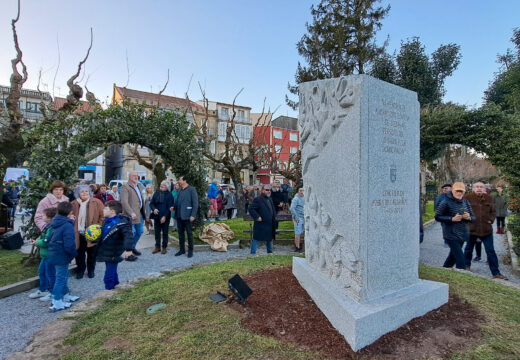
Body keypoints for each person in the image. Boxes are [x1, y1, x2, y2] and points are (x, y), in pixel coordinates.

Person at [464, 182, 508, 279]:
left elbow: (493, 211)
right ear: (473, 188)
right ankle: (466, 267)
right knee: (468, 249)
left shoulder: (488, 198)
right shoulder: (467, 198)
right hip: (472, 229)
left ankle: (496, 273)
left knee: (491, 251)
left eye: (481, 187)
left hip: (486, 229)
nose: (479, 188)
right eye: (477, 187)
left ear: (484, 189)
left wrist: (491, 220)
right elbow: (462, 210)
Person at [47, 202, 80, 311]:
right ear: (70, 212)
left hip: (53, 253)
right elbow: (69, 244)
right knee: (60, 278)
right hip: (62, 255)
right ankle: (56, 301)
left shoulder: (54, 222)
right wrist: (73, 254)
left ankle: (65, 294)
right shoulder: (67, 225)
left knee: (64, 275)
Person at [435, 182, 475, 270]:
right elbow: (437, 217)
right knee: (461, 259)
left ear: (464, 192)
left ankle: (444, 271)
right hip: (450, 234)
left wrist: (468, 217)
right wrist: (451, 219)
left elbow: (473, 218)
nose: (459, 193)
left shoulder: (466, 202)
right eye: (457, 191)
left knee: (452, 257)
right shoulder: (445, 202)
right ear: (452, 191)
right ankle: (463, 278)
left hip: (462, 234)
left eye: (461, 191)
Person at [96, 200, 134, 290]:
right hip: (107, 252)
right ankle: (116, 288)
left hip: (113, 252)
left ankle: (109, 293)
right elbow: (104, 235)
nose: (103, 210)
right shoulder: (106, 221)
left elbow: (128, 236)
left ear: (112, 212)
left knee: (108, 277)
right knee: (113, 273)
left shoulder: (122, 224)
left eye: (105, 208)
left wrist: (129, 249)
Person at [71, 185, 104, 279]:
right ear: (78, 194)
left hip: (92, 233)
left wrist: (98, 227)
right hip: (79, 233)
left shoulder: (96, 202)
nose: (85, 193)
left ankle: (91, 270)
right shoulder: (73, 204)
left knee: (92, 253)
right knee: (79, 254)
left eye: (86, 191)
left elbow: (103, 216)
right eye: (82, 192)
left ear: (90, 192)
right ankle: (80, 270)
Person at [28, 207, 57, 300]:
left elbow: (46, 242)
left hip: (49, 255)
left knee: (50, 273)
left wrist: (37, 243)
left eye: (44, 215)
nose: (42, 216)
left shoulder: (51, 228)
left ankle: (52, 291)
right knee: (42, 272)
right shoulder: (47, 226)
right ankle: (43, 289)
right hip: (45, 255)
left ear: (49, 217)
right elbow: (42, 237)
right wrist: (38, 240)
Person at [120, 171, 144, 261]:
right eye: (134, 175)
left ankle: (132, 247)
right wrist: (131, 212)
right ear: (129, 177)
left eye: (137, 175)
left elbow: (141, 199)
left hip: (139, 214)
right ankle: (128, 252)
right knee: (131, 234)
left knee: (140, 232)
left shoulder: (139, 185)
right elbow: (124, 202)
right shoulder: (125, 186)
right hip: (130, 215)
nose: (136, 177)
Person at [174, 175, 198, 258]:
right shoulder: (180, 189)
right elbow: (177, 201)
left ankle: (190, 250)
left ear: (184, 181)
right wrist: (174, 207)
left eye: (180, 179)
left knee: (189, 233)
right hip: (179, 215)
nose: (179, 181)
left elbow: (195, 203)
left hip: (188, 216)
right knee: (180, 233)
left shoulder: (192, 189)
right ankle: (182, 250)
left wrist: (193, 215)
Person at [248, 185, 277, 254]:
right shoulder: (258, 199)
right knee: (256, 239)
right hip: (261, 224)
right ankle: (252, 254)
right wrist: (257, 217)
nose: (269, 191)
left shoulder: (270, 199)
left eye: (270, 190)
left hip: (269, 223)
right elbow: (251, 208)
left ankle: (270, 253)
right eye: (267, 190)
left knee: (269, 239)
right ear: (262, 190)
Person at [150, 181, 174, 254]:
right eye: (161, 185)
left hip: (165, 217)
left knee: (165, 233)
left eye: (163, 185)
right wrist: (154, 209)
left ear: (167, 187)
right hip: (157, 216)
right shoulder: (156, 193)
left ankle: (164, 247)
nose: (162, 186)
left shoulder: (170, 195)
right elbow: (151, 203)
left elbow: (170, 207)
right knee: (157, 233)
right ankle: (157, 247)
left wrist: (164, 216)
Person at [290, 186, 305, 252]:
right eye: (300, 191)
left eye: (303, 190)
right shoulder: (296, 199)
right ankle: (297, 247)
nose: (302, 192)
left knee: (302, 233)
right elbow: (292, 208)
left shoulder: (305, 198)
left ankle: (301, 245)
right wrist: (296, 217)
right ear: (298, 191)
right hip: (298, 218)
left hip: (304, 217)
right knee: (298, 233)